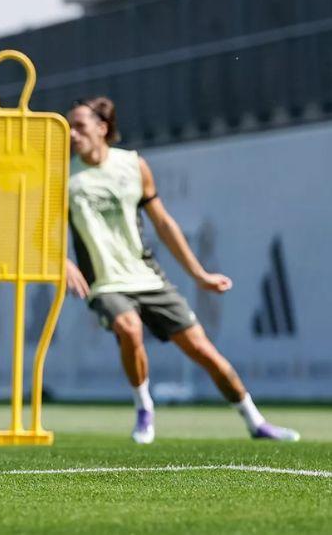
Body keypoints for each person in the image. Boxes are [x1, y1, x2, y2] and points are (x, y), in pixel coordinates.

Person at [64, 96, 299, 445]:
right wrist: (61, 262)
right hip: (104, 282)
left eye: (79, 126)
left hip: (146, 276)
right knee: (128, 328)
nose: (70, 133)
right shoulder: (63, 174)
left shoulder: (134, 166)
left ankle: (255, 422)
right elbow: (39, 223)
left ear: (103, 128)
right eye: (67, 126)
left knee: (204, 352)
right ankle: (144, 410)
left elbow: (163, 224)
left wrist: (200, 275)